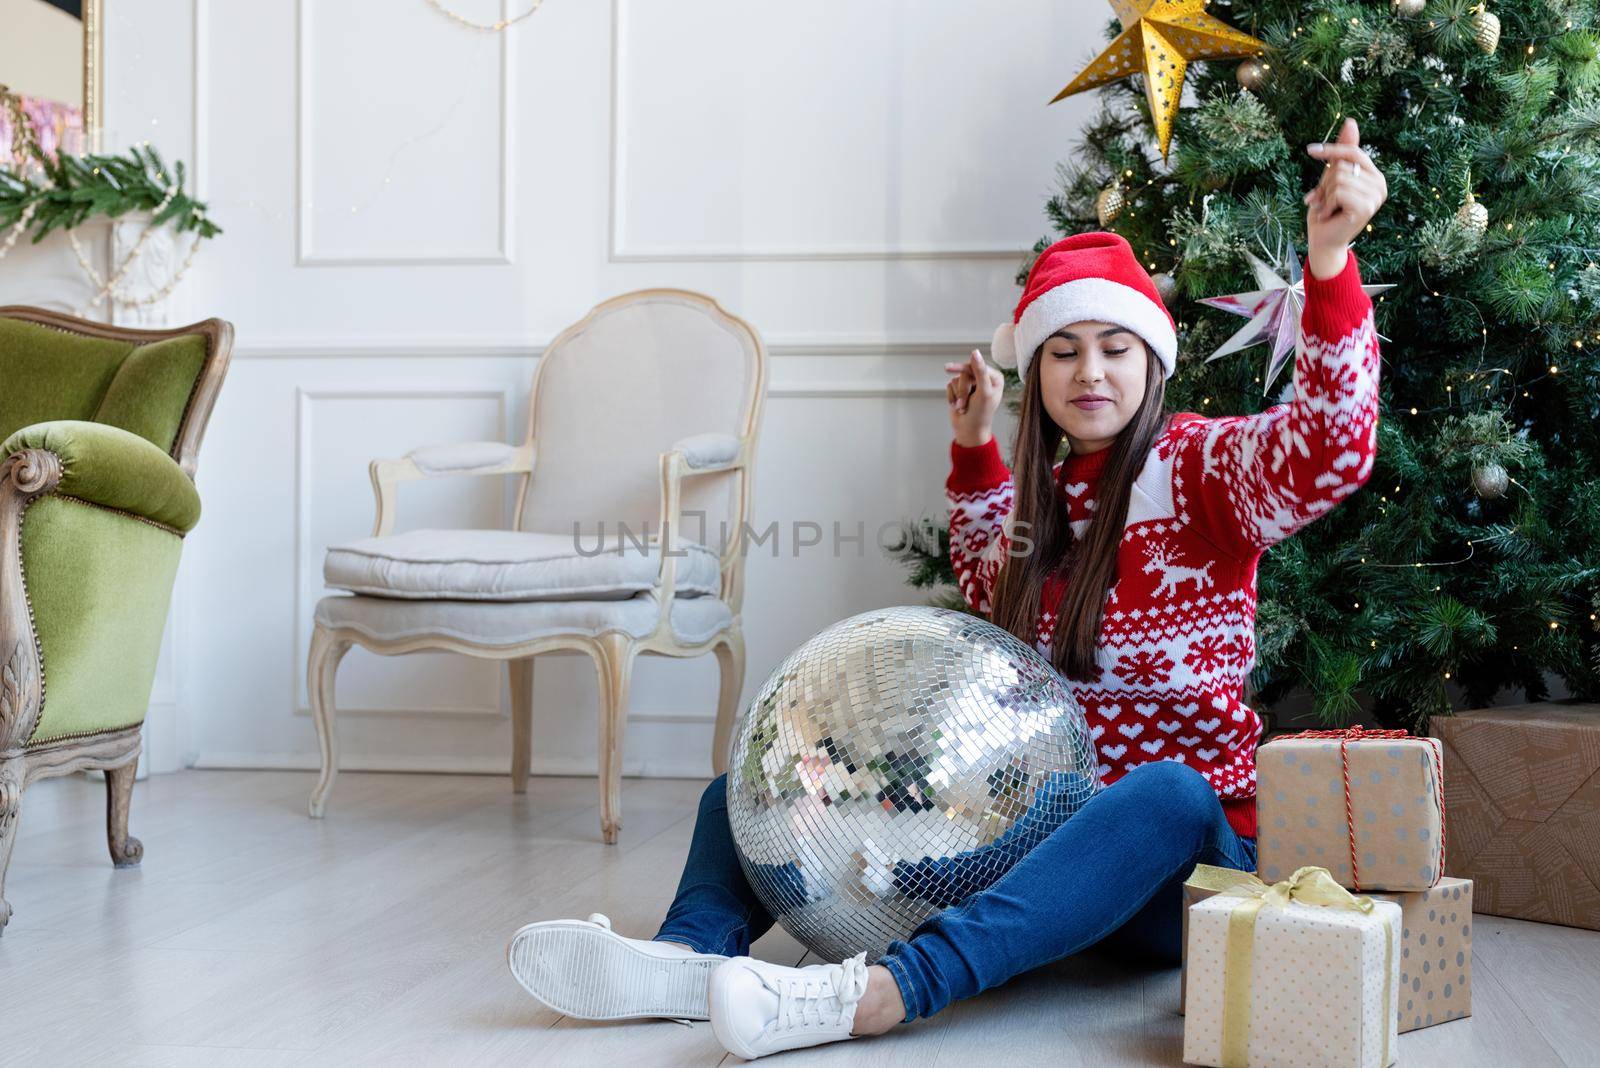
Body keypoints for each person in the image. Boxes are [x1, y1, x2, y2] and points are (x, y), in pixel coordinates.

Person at [505, 117, 1388, 1060]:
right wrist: (974, 444)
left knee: (1167, 794)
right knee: (744, 788)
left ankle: (890, 992)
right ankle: (688, 959)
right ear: (1037, 368)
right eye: (1064, 350)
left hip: (1170, 873)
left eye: (1115, 348)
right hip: (1024, 834)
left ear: (1154, 362)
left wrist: (1329, 265)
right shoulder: (1041, 500)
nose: (1090, 371)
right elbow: (984, 578)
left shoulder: (1203, 467)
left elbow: (1332, 451)